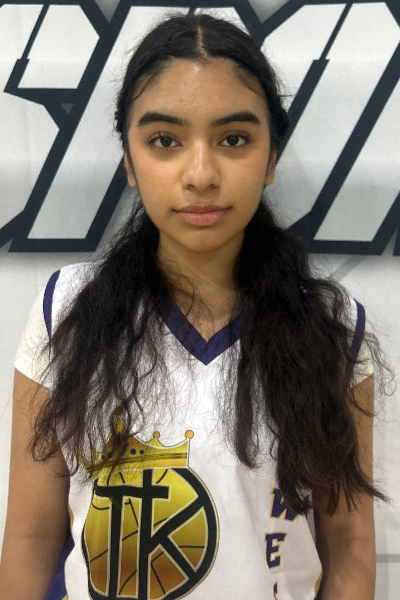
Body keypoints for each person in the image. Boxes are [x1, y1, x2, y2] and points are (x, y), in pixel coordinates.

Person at [0, 12, 387, 600]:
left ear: (271, 158)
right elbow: (31, 540)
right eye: (165, 141)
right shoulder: (66, 311)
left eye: (233, 139)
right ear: (129, 160)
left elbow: (350, 548)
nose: (201, 174)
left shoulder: (333, 330)